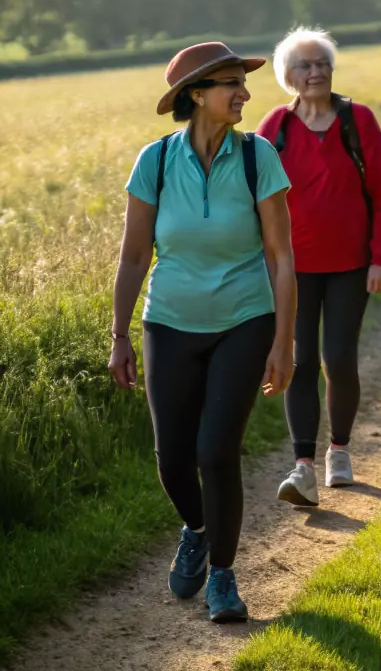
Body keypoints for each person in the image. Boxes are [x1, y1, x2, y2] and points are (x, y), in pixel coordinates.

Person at [108, 41, 296, 623]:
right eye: (230, 84)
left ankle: (223, 576)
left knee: (216, 452)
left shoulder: (256, 156)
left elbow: (281, 256)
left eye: (243, 82)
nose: (243, 93)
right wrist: (119, 334)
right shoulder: (156, 161)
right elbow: (135, 255)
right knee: (172, 459)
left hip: (244, 318)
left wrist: (283, 342)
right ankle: (196, 526)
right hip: (169, 320)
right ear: (196, 94)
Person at [257, 28, 381, 507]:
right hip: (290, 271)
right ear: (289, 77)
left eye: (323, 63)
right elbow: (251, 200)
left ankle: (338, 450)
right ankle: (303, 467)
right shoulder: (274, 128)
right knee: (299, 363)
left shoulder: (357, 121)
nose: (316, 71)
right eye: (306, 65)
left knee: (337, 359)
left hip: (350, 267)